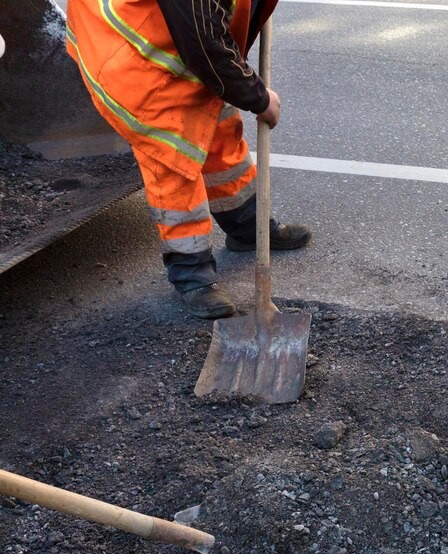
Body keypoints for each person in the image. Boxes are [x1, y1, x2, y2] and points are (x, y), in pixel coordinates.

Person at [65, 0, 311, 319]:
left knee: (218, 125)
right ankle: (192, 274)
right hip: (128, 52)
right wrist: (258, 97)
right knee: (173, 158)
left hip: (177, 36)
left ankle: (247, 226)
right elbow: (204, 43)